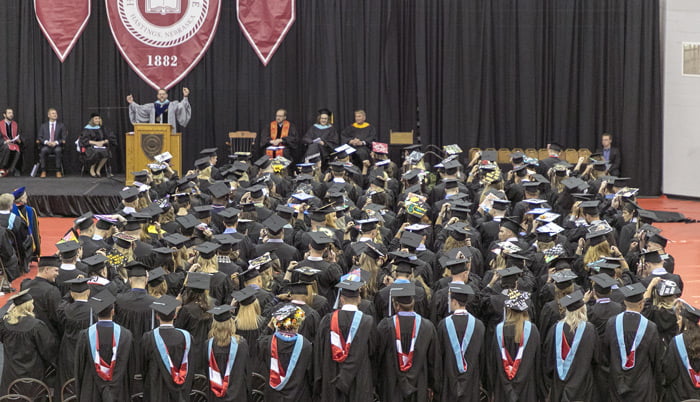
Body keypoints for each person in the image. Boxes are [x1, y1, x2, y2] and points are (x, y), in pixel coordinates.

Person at [314, 280, 378, 402]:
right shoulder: (367, 322)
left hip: (332, 376)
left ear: (341, 299)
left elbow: (319, 352)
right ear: (359, 299)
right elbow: (373, 352)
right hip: (359, 377)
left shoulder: (327, 320)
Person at [376, 282, 439, 402]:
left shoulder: (385, 326)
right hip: (419, 385)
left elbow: (377, 358)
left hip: (391, 385)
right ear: (413, 303)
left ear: (396, 305)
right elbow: (433, 361)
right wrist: (433, 386)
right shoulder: (427, 327)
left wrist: (377, 383)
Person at [601, 282, 662, 401]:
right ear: (641, 304)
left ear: (624, 302)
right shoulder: (650, 327)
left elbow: (605, 355)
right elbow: (656, 361)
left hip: (617, 383)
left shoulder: (611, 323)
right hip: (642, 386)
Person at [74, 289, 134, 401]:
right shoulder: (126, 335)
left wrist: (80, 392)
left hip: (91, 389)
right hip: (119, 389)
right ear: (113, 311)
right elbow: (130, 367)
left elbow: (79, 368)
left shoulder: (85, 335)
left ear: (96, 312)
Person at [543, 290, 598, 401]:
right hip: (583, 384)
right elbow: (596, 358)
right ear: (583, 309)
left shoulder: (555, 329)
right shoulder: (590, 330)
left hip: (559, 383)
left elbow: (548, 358)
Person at [0, 290, 57, 395]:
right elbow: (48, 350)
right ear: (28, 306)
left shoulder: (5, 324)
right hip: (32, 374)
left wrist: (8, 313)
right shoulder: (37, 326)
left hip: (11, 374)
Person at [436, 283, 485, 401]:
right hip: (471, 380)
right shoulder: (479, 325)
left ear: (454, 302)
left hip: (449, 379)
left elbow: (439, 356)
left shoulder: (443, 325)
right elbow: (482, 357)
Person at [142, 295, 194, 401]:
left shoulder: (149, 337)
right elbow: (191, 365)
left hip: (156, 390)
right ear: (175, 315)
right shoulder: (187, 337)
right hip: (181, 391)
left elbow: (144, 367)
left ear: (157, 316)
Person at [258, 304, 314, 401]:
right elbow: (310, 375)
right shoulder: (306, 345)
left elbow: (258, 344)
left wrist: (269, 327)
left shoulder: (267, 343)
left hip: (273, 396)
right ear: (297, 324)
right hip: (299, 396)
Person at [205, 304, 250, 401]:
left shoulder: (208, 345)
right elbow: (246, 371)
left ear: (214, 324)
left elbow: (206, 371)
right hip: (237, 395)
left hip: (215, 395)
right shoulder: (241, 344)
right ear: (231, 323)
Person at [661, 300, 700, 401]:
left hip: (681, 393)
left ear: (685, 322)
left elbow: (669, 370)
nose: (677, 322)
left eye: (679, 319)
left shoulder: (677, 342)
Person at [127, 87, 191, 133]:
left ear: (166, 95)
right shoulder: (152, 107)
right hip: (155, 137)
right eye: (160, 94)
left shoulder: (172, 105)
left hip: (169, 135)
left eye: (163, 94)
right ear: (157, 96)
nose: (161, 96)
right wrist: (131, 102)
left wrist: (185, 97)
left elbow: (182, 106)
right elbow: (139, 109)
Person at [11, 186, 40, 260]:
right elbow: (35, 231)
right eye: (25, 196)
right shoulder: (30, 210)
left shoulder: (10, 210)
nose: (27, 197)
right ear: (21, 199)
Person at [79, 113, 112, 177]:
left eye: (99, 118)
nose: (97, 120)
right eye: (96, 119)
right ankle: (92, 169)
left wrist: (103, 142)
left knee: (106, 152)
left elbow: (109, 138)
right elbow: (84, 140)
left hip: (101, 146)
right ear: (92, 120)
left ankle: (98, 170)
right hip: (89, 147)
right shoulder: (87, 129)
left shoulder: (102, 128)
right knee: (96, 152)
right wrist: (96, 143)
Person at [37, 107, 66, 178]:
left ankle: (58, 171)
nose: (55, 115)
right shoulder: (43, 126)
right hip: (47, 145)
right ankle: (43, 171)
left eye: (56, 113)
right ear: (48, 115)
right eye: (53, 113)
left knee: (58, 150)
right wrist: (46, 142)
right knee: (43, 150)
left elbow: (63, 137)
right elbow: (39, 137)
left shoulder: (61, 125)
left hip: (57, 145)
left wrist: (56, 142)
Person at [0, 107, 22, 177]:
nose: (11, 114)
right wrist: (5, 141)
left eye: (12, 113)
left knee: (18, 149)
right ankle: (2, 168)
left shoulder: (15, 124)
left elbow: (19, 134)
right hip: (3, 144)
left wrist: (19, 140)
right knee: (6, 147)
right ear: (4, 115)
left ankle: (11, 170)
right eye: (9, 113)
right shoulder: (0, 124)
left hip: (13, 143)